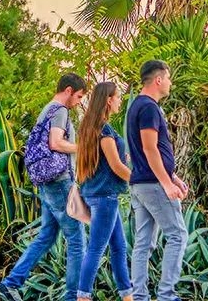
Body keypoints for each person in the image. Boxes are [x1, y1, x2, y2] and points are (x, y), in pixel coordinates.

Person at [0, 74, 88, 301]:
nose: (79, 102)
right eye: (79, 96)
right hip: (59, 182)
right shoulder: (60, 111)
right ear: (68, 90)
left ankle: (10, 283)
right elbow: (55, 142)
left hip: (47, 182)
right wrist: (84, 147)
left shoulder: (46, 110)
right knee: (77, 240)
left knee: (46, 236)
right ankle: (73, 297)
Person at [126, 60, 189, 301]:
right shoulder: (149, 108)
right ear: (159, 80)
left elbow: (148, 153)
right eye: (169, 78)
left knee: (144, 243)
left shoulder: (137, 106)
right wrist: (166, 183)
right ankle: (166, 296)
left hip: (140, 183)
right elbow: (150, 148)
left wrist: (173, 176)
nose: (170, 83)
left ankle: (139, 296)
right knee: (177, 236)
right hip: (153, 185)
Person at [76, 82, 133, 301]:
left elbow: (102, 162)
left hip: (96, 194)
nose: (120, 101)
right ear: (109, 100)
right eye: (118, 97)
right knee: (96, 249)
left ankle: (127, 296)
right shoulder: (105, 130)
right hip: (105, 197)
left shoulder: (89, 127)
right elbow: (116, 166)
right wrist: (139, 179)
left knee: (118, 247)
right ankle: (83, 297)